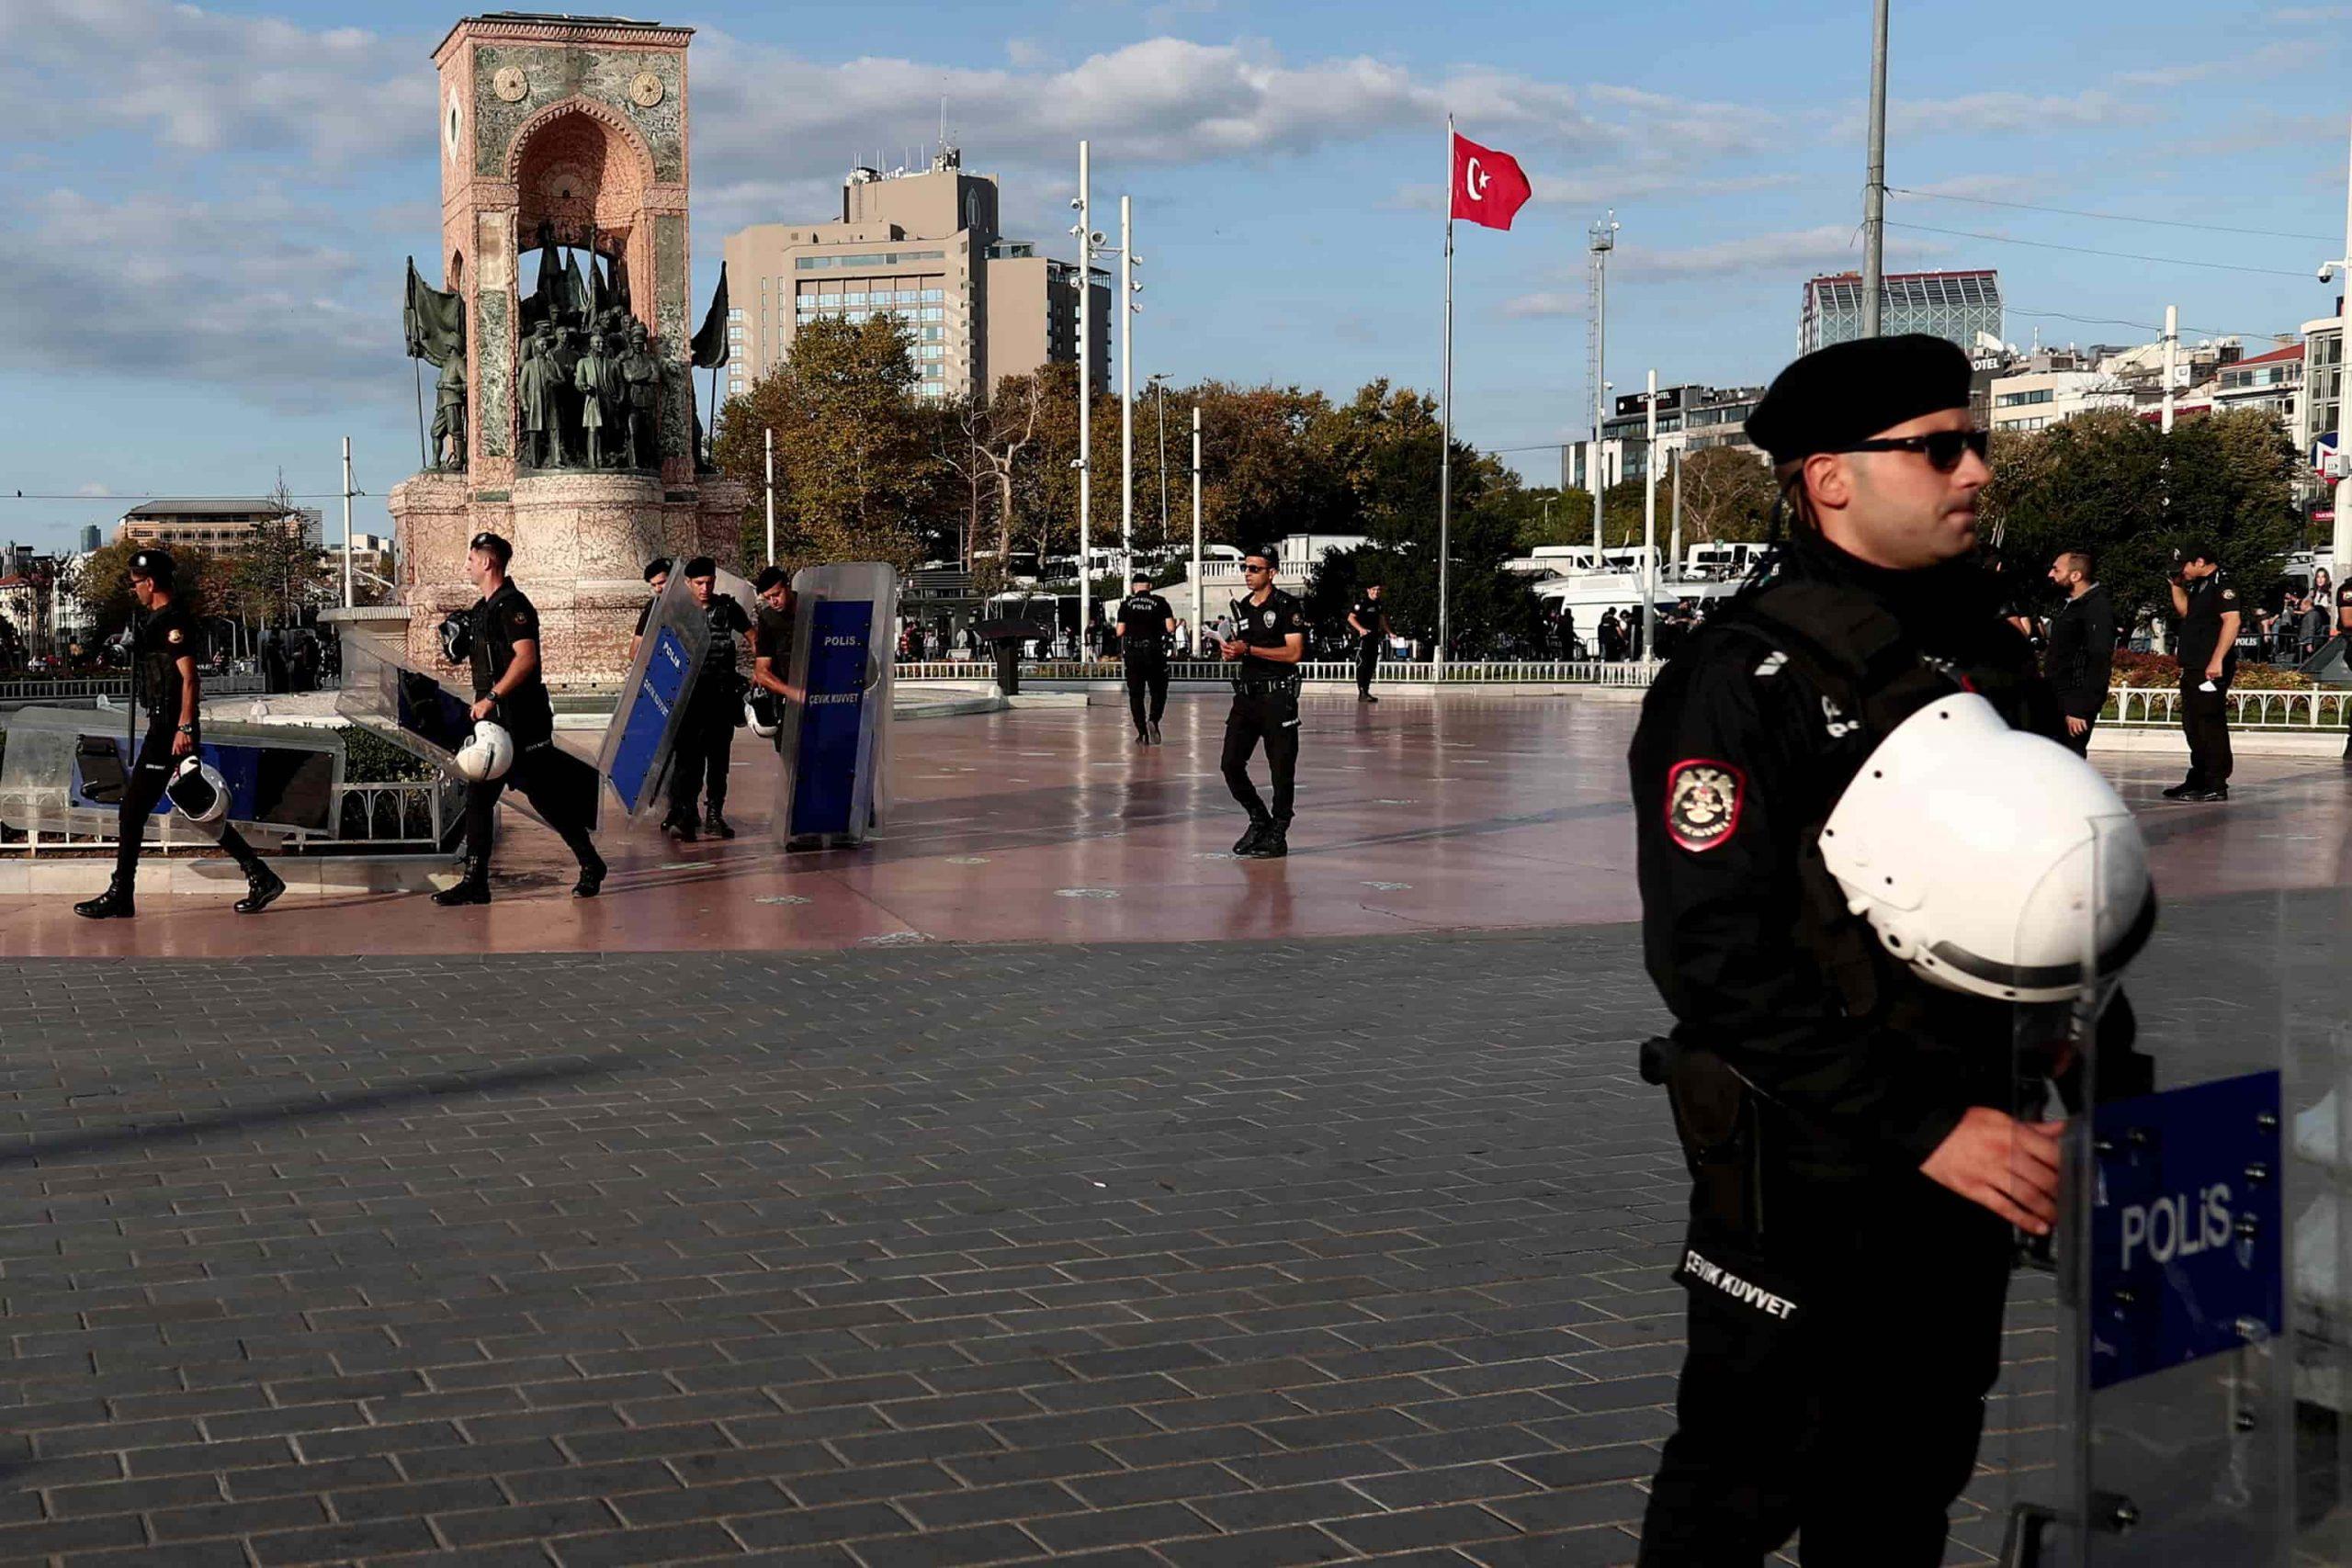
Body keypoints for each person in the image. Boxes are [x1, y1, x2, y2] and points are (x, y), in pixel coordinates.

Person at [1628, 334, 2139, 1565]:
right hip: (1808, 1178)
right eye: (1937, 447)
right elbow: (1715, 962)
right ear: (1830, 477)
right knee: (1739, 1494)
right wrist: (1928, 1127)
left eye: (1977, 443)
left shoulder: (1987, 659)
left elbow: (2056, 898)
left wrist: (2092, 1073)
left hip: (1978, 1163)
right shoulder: (1740, 678)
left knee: (1903, 1495)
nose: (1974, 470)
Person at [74, 549, 285, 919]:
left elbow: (190, 678)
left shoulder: (174, 621)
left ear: (150, 582)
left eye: (136, 584)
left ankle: (121, 894)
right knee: (196, 807)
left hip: (171, 728)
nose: (135, 590)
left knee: (133, 810)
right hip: (162, 724)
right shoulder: (153, 620)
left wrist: (184, 729)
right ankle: (260, 875)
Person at [435, 532, 605, 904]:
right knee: (479, 795)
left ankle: (591, 862)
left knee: (546, 798)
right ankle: (476, 881)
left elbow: (526, 658)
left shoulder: (514, 606)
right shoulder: (484, 609)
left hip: (521, 718)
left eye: (471, 558)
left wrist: (493, 696)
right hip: (492, 722)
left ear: (487, 562)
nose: (466, 565)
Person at [1218, 550, 1306, 859]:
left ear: (1272, 573)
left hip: (1277, 696)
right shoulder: (1242, 607)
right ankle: (1259, 820)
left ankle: (1278, 832)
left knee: (1281, 768)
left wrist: (1250, 649)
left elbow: (1294, 653)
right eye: (1245, 568)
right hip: (1246, 697)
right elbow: (1243, 648)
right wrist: (1232, 651)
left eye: (1255, 568)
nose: (1248, 573)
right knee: (1230, 764)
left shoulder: (1286, 606)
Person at [663, 556, 752, 840]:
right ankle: (686, 814)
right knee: (687, 762)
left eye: (709, 583)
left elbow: (753, 636)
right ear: (688, 583)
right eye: (699, 583)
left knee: (718, 760)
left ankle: (715, 814)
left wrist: (756, 670)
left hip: (720, 696)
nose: (705, 588)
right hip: (688, 698)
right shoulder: (677, 611)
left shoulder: (727, 608)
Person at [2163, 542, 2238, 803]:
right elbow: (2187, 612)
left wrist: (2217, 660)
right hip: (2194, 665)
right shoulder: (2199, 586)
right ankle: (2198, 777)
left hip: (2211, 667)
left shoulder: (2223, 584)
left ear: (2199, 561)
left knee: (2209, 722)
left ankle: (2216, 782)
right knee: (2192, 724)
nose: (2181, 571)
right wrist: (2176, 586)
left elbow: (2232, 621)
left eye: (2184, 565)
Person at [2043, 547, 2114, 755]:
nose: (2051, 575)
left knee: (2069, 756)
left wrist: (2079, 708)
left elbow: (2099, 657)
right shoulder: (2072, 606)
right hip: (2058, 696)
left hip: (2074, 701)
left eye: (2056, 570)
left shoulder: (2096, 607)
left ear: (2076, 575)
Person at [1115, 572, 1176, 744]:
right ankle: (1154, 719)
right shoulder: (1160, 602)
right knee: (1159, 690)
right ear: (1150, 586)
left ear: (1134, 587)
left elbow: (1119, 631)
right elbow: (1170, 628)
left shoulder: (1126, 604)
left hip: (1134, 653)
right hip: (1155, 651)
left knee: (1136, 694)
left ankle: (1142, 733)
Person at [749, 566, 799, 742]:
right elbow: (762, 671)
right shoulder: (768, 619)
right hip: (786, 699)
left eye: (776, 595)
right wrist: (792, 693)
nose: (773, 601)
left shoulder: (811, 606)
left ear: (787, 587)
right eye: (768, 598)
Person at [1348, 582, 1391, 702]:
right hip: (1362, 640)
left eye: (1378, 590)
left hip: (1374, 638)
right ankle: (1361, 691)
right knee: (1362, 664)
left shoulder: (1378, 605)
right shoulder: (1362, 603)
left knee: (1371, 665)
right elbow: (1351, 617)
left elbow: (1382, 621)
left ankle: (1366, 691)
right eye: (1374, 589)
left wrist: (1389, 632)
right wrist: (1360, 629)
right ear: (1368, 590)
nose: (1376, 592)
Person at [629, 557, 670, 665]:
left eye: (661, 582)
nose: (657, 589)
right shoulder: (652, 607)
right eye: (653, 585)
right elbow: (634, 652)